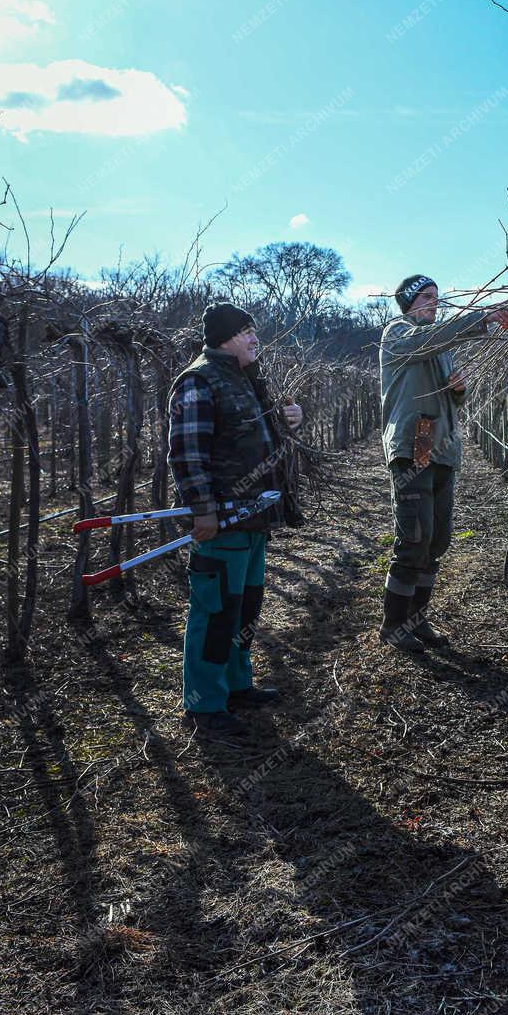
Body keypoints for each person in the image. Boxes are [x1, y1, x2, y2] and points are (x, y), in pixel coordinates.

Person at [168, 302, 303, 741]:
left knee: (245, 607)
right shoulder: (198, 380)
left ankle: (237, 685)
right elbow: (188, 451)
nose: (255, 340)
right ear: (229, 336)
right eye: (248, 332)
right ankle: (204, 704)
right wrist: (203, 508)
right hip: (223, 522)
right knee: (215, 610)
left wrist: (290, 419)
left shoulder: (244, 379)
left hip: (254, 518)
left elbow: (265, 436)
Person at [379, 274, 508, 652]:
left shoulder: (440, 346)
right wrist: (481, 319)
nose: (434, 303)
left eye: (436, 297)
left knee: (437, 539)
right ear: (408, 301)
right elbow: (424, 343)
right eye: (426, 297)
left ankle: (418, 620)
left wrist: (459, 390)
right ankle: (394, 624)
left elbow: (450, 402)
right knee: (414, 537)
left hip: (441, 449)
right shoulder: (399, 333)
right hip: (412, 447)